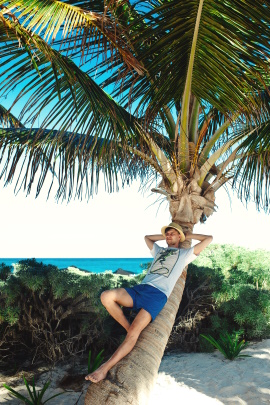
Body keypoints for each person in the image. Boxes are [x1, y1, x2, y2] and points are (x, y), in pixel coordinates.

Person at [85, 222, 213, 383]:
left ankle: (103, 369)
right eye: (167, 233)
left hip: (157, 296)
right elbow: (147, 238)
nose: (168, 235)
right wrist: (166, 236)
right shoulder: (159, 250)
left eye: (172, 233)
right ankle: (128, 327)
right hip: (141, 289)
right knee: (106, 296)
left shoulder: (185, 254)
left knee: (133, 335)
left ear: (179, 236)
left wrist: (188, 236)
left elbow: (209, 239)